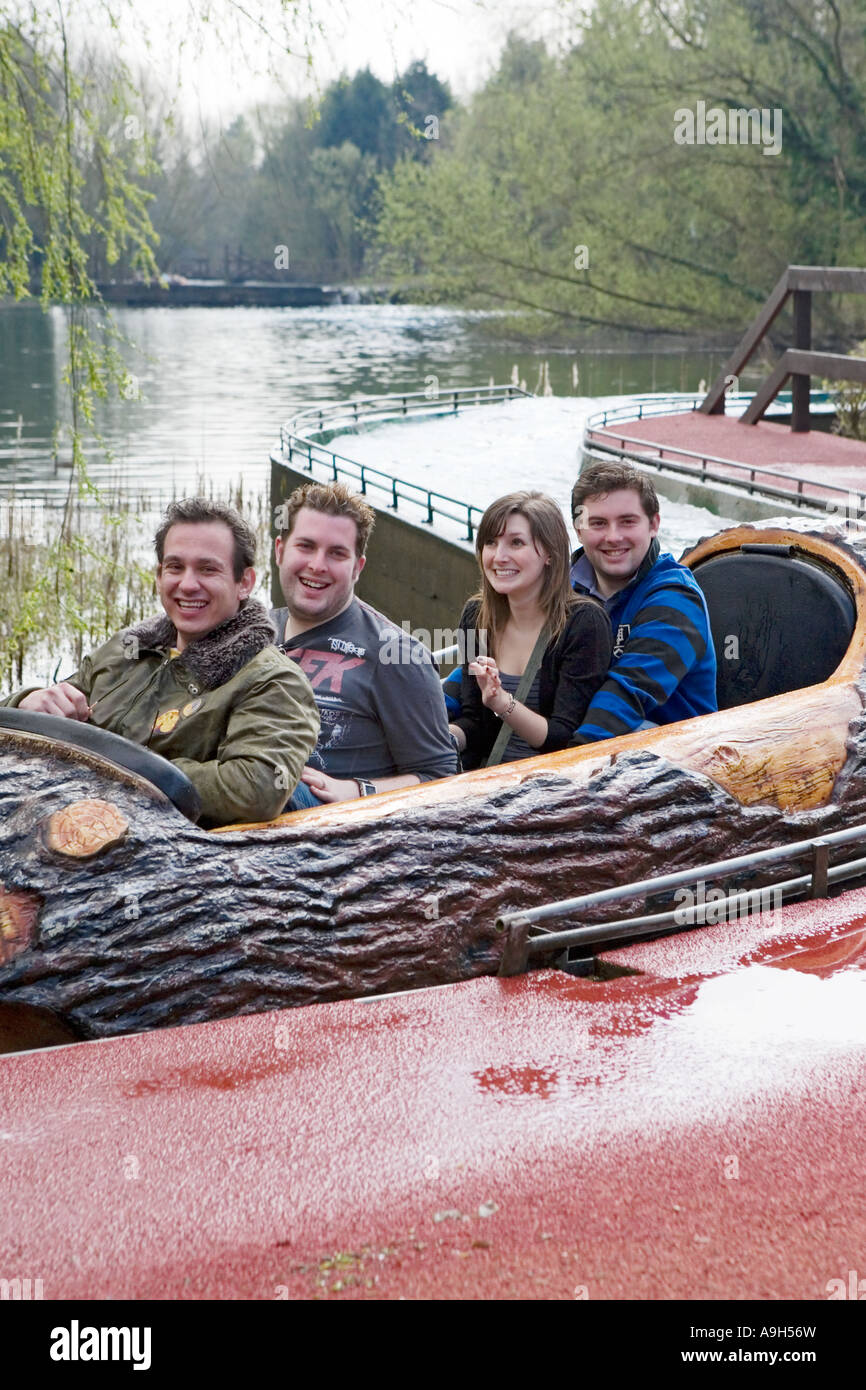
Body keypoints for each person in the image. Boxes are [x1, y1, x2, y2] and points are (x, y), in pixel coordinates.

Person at [1, 498, 320, 828]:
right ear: (159, 574)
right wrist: (25, 702)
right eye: (175, 567)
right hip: (61, 831)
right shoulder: (126, 649)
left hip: (167, 859)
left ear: (245, 583)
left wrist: (113, 768)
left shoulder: (272, 680)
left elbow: (254, 790)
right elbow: (33, 726)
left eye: (208, 569)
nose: (187, 584)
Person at [272, 480, 458, 805]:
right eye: (305, 546)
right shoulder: (252, 635)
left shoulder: (397, 656)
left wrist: (357, 790)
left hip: (327, 833)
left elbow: (441, 778)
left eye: (336, 553)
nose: (317, 564)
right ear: (279, 551)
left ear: (357, 568)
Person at [448, 491, 612, 770]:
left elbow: (563, 739)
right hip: (484, 779)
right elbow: (474, 722)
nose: (499, 556)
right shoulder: (475, 616)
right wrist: (445, 739)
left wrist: (502, 702)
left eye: (516, 543)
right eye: (490, 542)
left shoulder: (584, 623)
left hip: (548, 787)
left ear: (550, 553)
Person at [569, 460, 717, 743]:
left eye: (627, 521)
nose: (613, 537)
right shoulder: (559, 589)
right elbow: (505, 658)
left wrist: (557, 772)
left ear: (653, 525)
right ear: (578, 529)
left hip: (672, 759)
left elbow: (627, 695)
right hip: (580, 736)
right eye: (598, 523)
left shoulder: (676, 601)